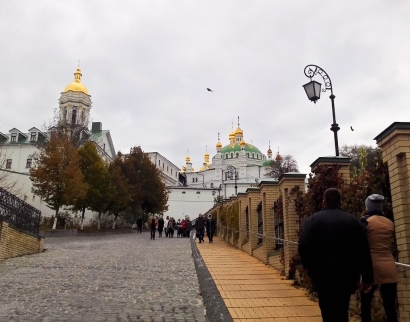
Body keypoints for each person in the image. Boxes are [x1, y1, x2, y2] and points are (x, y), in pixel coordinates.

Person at [298, 188, 373, 322]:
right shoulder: (353, 221)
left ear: (323, 202)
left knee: (327, 310)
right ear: (341, 202)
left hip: (322, 275)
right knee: (342, 309)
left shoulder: (313, 220)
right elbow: (363, 250)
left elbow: (303, 245)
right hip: (347, 275)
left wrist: (310, 268)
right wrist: (367, 276)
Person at [360, 194, 398, 322]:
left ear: (368, 207)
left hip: (372, 268)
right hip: (389, 267)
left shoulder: (365, 222)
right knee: (390, 306)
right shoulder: (389, 223)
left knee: (366, 304)